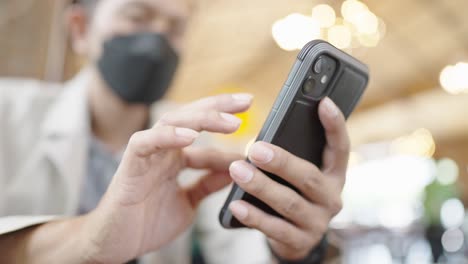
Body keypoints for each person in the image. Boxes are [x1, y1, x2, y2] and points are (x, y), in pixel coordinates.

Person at [0, 0, 350, 263]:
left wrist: (291, 248)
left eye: (175, 28)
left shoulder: (197, 140)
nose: (156, 41)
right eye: (137, 17)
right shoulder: (8, 113)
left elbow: (236, 249)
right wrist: (92, 238)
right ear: (80, 29)